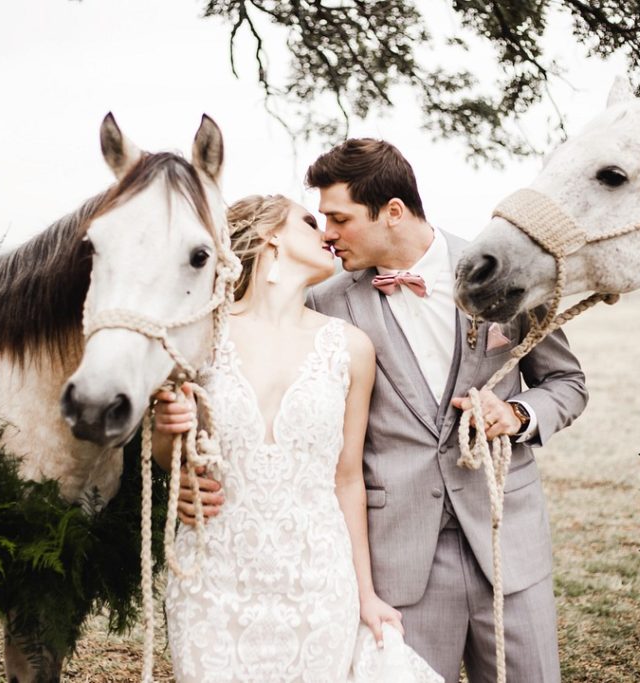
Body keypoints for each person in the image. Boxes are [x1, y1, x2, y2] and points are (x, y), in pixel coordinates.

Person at [178, 140, 587, 682]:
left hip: (505, 541)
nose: (326, 232)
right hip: (400, 558)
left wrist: (516, 414)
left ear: (393, 212)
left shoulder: (503, 272)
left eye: (339, 218)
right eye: (320, 219)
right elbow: (250, 386)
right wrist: (186, 472)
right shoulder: (322, 304)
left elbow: (566, 381)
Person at [153, 194, 442, 682]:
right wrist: (167, 429)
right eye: (310, 222)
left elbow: (347, 479)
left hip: (317, 579)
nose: (327, 233)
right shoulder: (199, 336)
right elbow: (169, 457)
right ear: (270, 235)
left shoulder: (350, 346)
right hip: (213, 575)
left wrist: (365, 594)